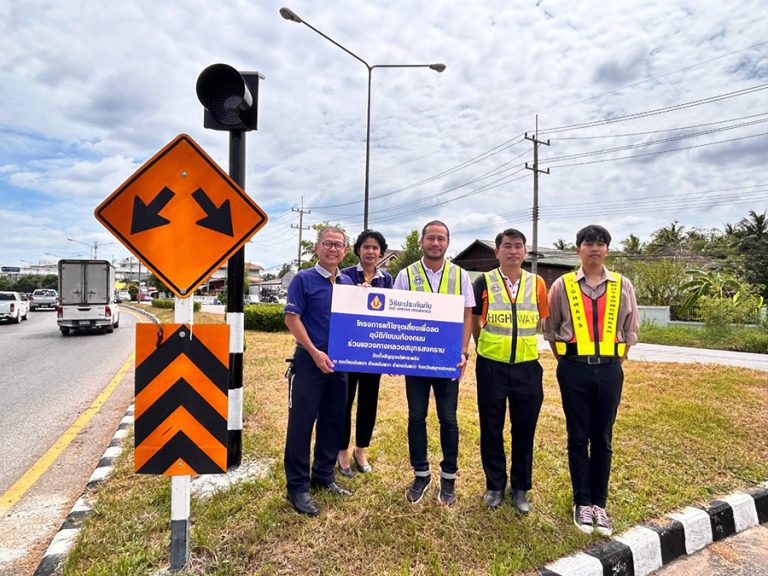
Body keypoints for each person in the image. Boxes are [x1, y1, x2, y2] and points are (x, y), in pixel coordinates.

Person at [543, 224, 639, 536]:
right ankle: (581, 502)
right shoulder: (562, 285)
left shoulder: (623, 285)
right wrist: (570, 362)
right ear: (578, 249)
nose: (594, 248)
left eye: (600, 243)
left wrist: (612, 362)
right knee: (577, 436)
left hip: (610, 369)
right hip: (573, 369)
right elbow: (551, 328)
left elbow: (631, 329)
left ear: (607, 250)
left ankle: (600, 502)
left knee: (603, 437)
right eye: (588, 243)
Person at [393, 220, 475, 507]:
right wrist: (398, 352)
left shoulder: (460, 275)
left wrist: (463, 352)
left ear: (448, 243)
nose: (436, 243)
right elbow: (396, 316)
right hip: (416, 359)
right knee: (416, 417)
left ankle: (449, 478)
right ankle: (421, 474)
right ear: (422, 242)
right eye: (431, 238)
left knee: (448, 419)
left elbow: (467, 315)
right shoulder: (406, 275)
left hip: (447, 360)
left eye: (441, 238)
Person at [471, 229, 549, 513]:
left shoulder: (537, 283)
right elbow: (475, 320)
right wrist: (485, 349)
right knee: (491, 427)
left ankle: (520, 488)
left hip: (528, 368)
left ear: (525, 251)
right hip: (491, 366)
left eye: (518, 246)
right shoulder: (484, 281)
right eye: (507, 246)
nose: (513, 251)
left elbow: (543, 320)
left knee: (524, 429)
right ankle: (494, 485)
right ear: (497, 251)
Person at [283, 226, 355, 516]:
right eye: (328, 243)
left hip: (340, 365)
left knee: (333, 421)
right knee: (301, 425)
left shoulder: (349, 283)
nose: (333, 249)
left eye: (339, 245)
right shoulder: (303, 280)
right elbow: (292, 318)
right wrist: (314, 352)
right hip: (309, 363)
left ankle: (323, 476)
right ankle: (297, 488)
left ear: (345, 251)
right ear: (317, 247)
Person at [337, 230, 394, 476]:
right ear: (358, 250)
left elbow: (392, 314)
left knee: (368, 402)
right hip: (349, 350)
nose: (370, 251)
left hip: (374, 351)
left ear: (381, 252)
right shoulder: (345, 275)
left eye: (375, 248)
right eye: (366, 247)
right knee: (344, 402)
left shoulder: (387, 279)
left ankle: (361, 449)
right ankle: (342, 451)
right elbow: (339, 309)